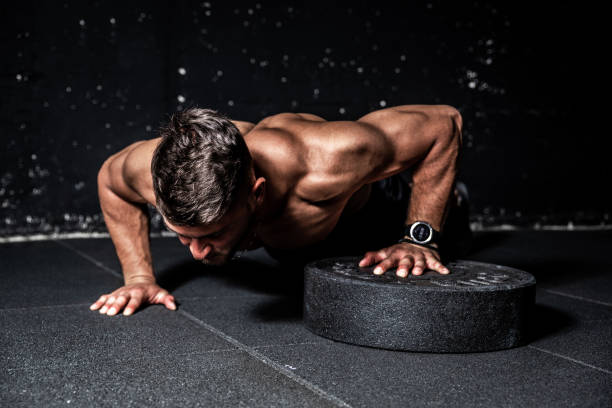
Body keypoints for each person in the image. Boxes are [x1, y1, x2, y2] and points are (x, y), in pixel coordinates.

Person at [90, 105, 471, 317]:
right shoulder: (150, 168)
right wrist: (139, 276)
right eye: (182, 235)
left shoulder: (329, 159)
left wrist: (418, 236)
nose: (196, 253)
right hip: (297, 246)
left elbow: (444, 122)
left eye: (212, 235)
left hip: (374, 217)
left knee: (449, 223)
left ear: (256, 194)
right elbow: (110, 179)